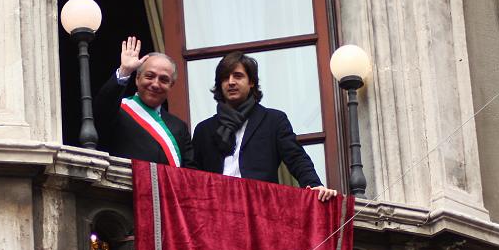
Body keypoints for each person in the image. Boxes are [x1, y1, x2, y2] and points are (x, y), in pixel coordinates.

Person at [192, 52, 337, 201]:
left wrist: (314, 185)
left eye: (238, 76)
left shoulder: (273, 121)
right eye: (225, 78)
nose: (231, 82)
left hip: (260, 208)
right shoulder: (204, 130)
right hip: (216, 210)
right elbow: (192, 176)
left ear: (251, 82)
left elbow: (296, 158)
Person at [93, 36, 194, 167]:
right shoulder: (119, 110)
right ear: (137, 78)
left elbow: (190, 171)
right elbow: (101, 109)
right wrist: (125, 70)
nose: (155, 84)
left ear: (171, 85)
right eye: (149, 76)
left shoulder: (179, 126)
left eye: (164, 80)